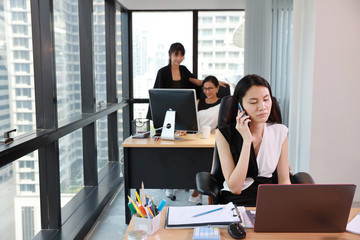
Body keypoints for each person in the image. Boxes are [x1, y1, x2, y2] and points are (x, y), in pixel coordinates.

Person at [216, 74, 291, 206]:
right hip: (236, 201)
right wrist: (246, 141)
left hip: (268, 198)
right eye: (253, 102)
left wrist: (286, 204)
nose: (262, 107)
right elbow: (235, 188)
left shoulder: (280, 132)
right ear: (240, 106)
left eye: (266, 99)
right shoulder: (224, 134)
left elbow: (284, 180)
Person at [189, 75, 221, 203]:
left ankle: (205, 191)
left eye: (210, 88)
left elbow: (226, 122)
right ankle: (196, 187)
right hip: (197, 138)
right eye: (205, 89)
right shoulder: (198, 102)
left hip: (213, 139)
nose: (207, 92)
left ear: (217, 88)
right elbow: (191, 120)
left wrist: (217, 129)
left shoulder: (223, 103)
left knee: (207, 163)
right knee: (193, 162)